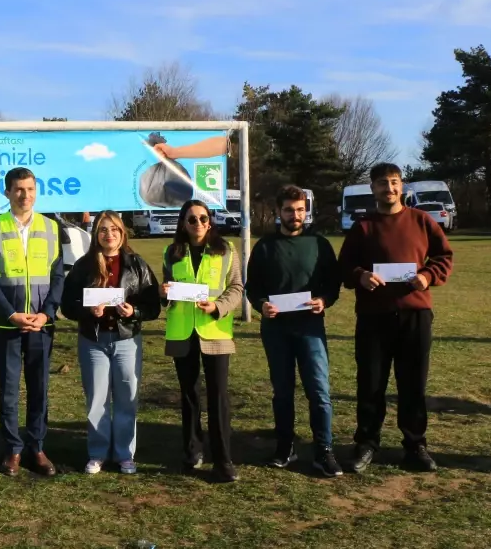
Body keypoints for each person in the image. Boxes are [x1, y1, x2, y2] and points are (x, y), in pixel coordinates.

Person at [338, 163, 454, 473]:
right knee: (371, 383)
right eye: (382, 183)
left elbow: (444, 256)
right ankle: (366, 443)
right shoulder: (363, 227)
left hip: (415, 314)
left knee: (413, 384)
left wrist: (428, 276)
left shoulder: (421, 220)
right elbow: (344, 265)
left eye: (393, 182)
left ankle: (415, 445)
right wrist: (360, 276)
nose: (388, 188)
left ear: (401, 186)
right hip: (373, 317)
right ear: (372, 188)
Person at [246, 185, 343, 477]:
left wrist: (324, 300)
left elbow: (332, 284)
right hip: (276, 330)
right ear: (279, 211)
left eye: (300, 209)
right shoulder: (265, 246)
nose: (295, 215)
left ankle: (324, 450)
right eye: (289, 210)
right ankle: (285, 446)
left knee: (319, 391)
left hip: (310, 328)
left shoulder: (319, 244)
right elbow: (253, 288)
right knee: (282, 391)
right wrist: (261, 305)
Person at [0, 167, 65, 477]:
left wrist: (46, 313)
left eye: (29, 189)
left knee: (39, 388)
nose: (24, 195)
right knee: (9, 390)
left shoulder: (51, 227)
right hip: (8, 325)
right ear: (7, 192)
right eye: (18, 189)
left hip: (41, 325)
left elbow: (58, 276)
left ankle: (37, 447)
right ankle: (13, 448)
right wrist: (10, 314)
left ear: (36, 191)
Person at [61, 211, 160, 474]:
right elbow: (67, 305)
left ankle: (125, 454)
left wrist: (133, 312)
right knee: (97, 399)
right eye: (103, 230)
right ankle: (98, 453)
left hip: (126, 340)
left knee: (127, 399)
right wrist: (87, 311)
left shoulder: (136, 264)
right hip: (93, 341)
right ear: (96, 234)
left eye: (114, 229)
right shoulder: (84, 266)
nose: (109, 234)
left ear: (122, 233)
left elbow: (153, 306)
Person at [162, 199, 244, 483]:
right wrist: (164, 293)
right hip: (182, 332)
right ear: (183, 224)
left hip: (215, 331)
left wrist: (218, 306)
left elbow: (236, 287)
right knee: (189, 395)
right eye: (191, 219)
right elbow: (167, 290)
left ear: (210, 222)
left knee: (218, 396)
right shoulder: (171, 252)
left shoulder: (227, 249)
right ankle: (192, 451)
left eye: (203, 218)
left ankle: (223, 459)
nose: (198, 223)